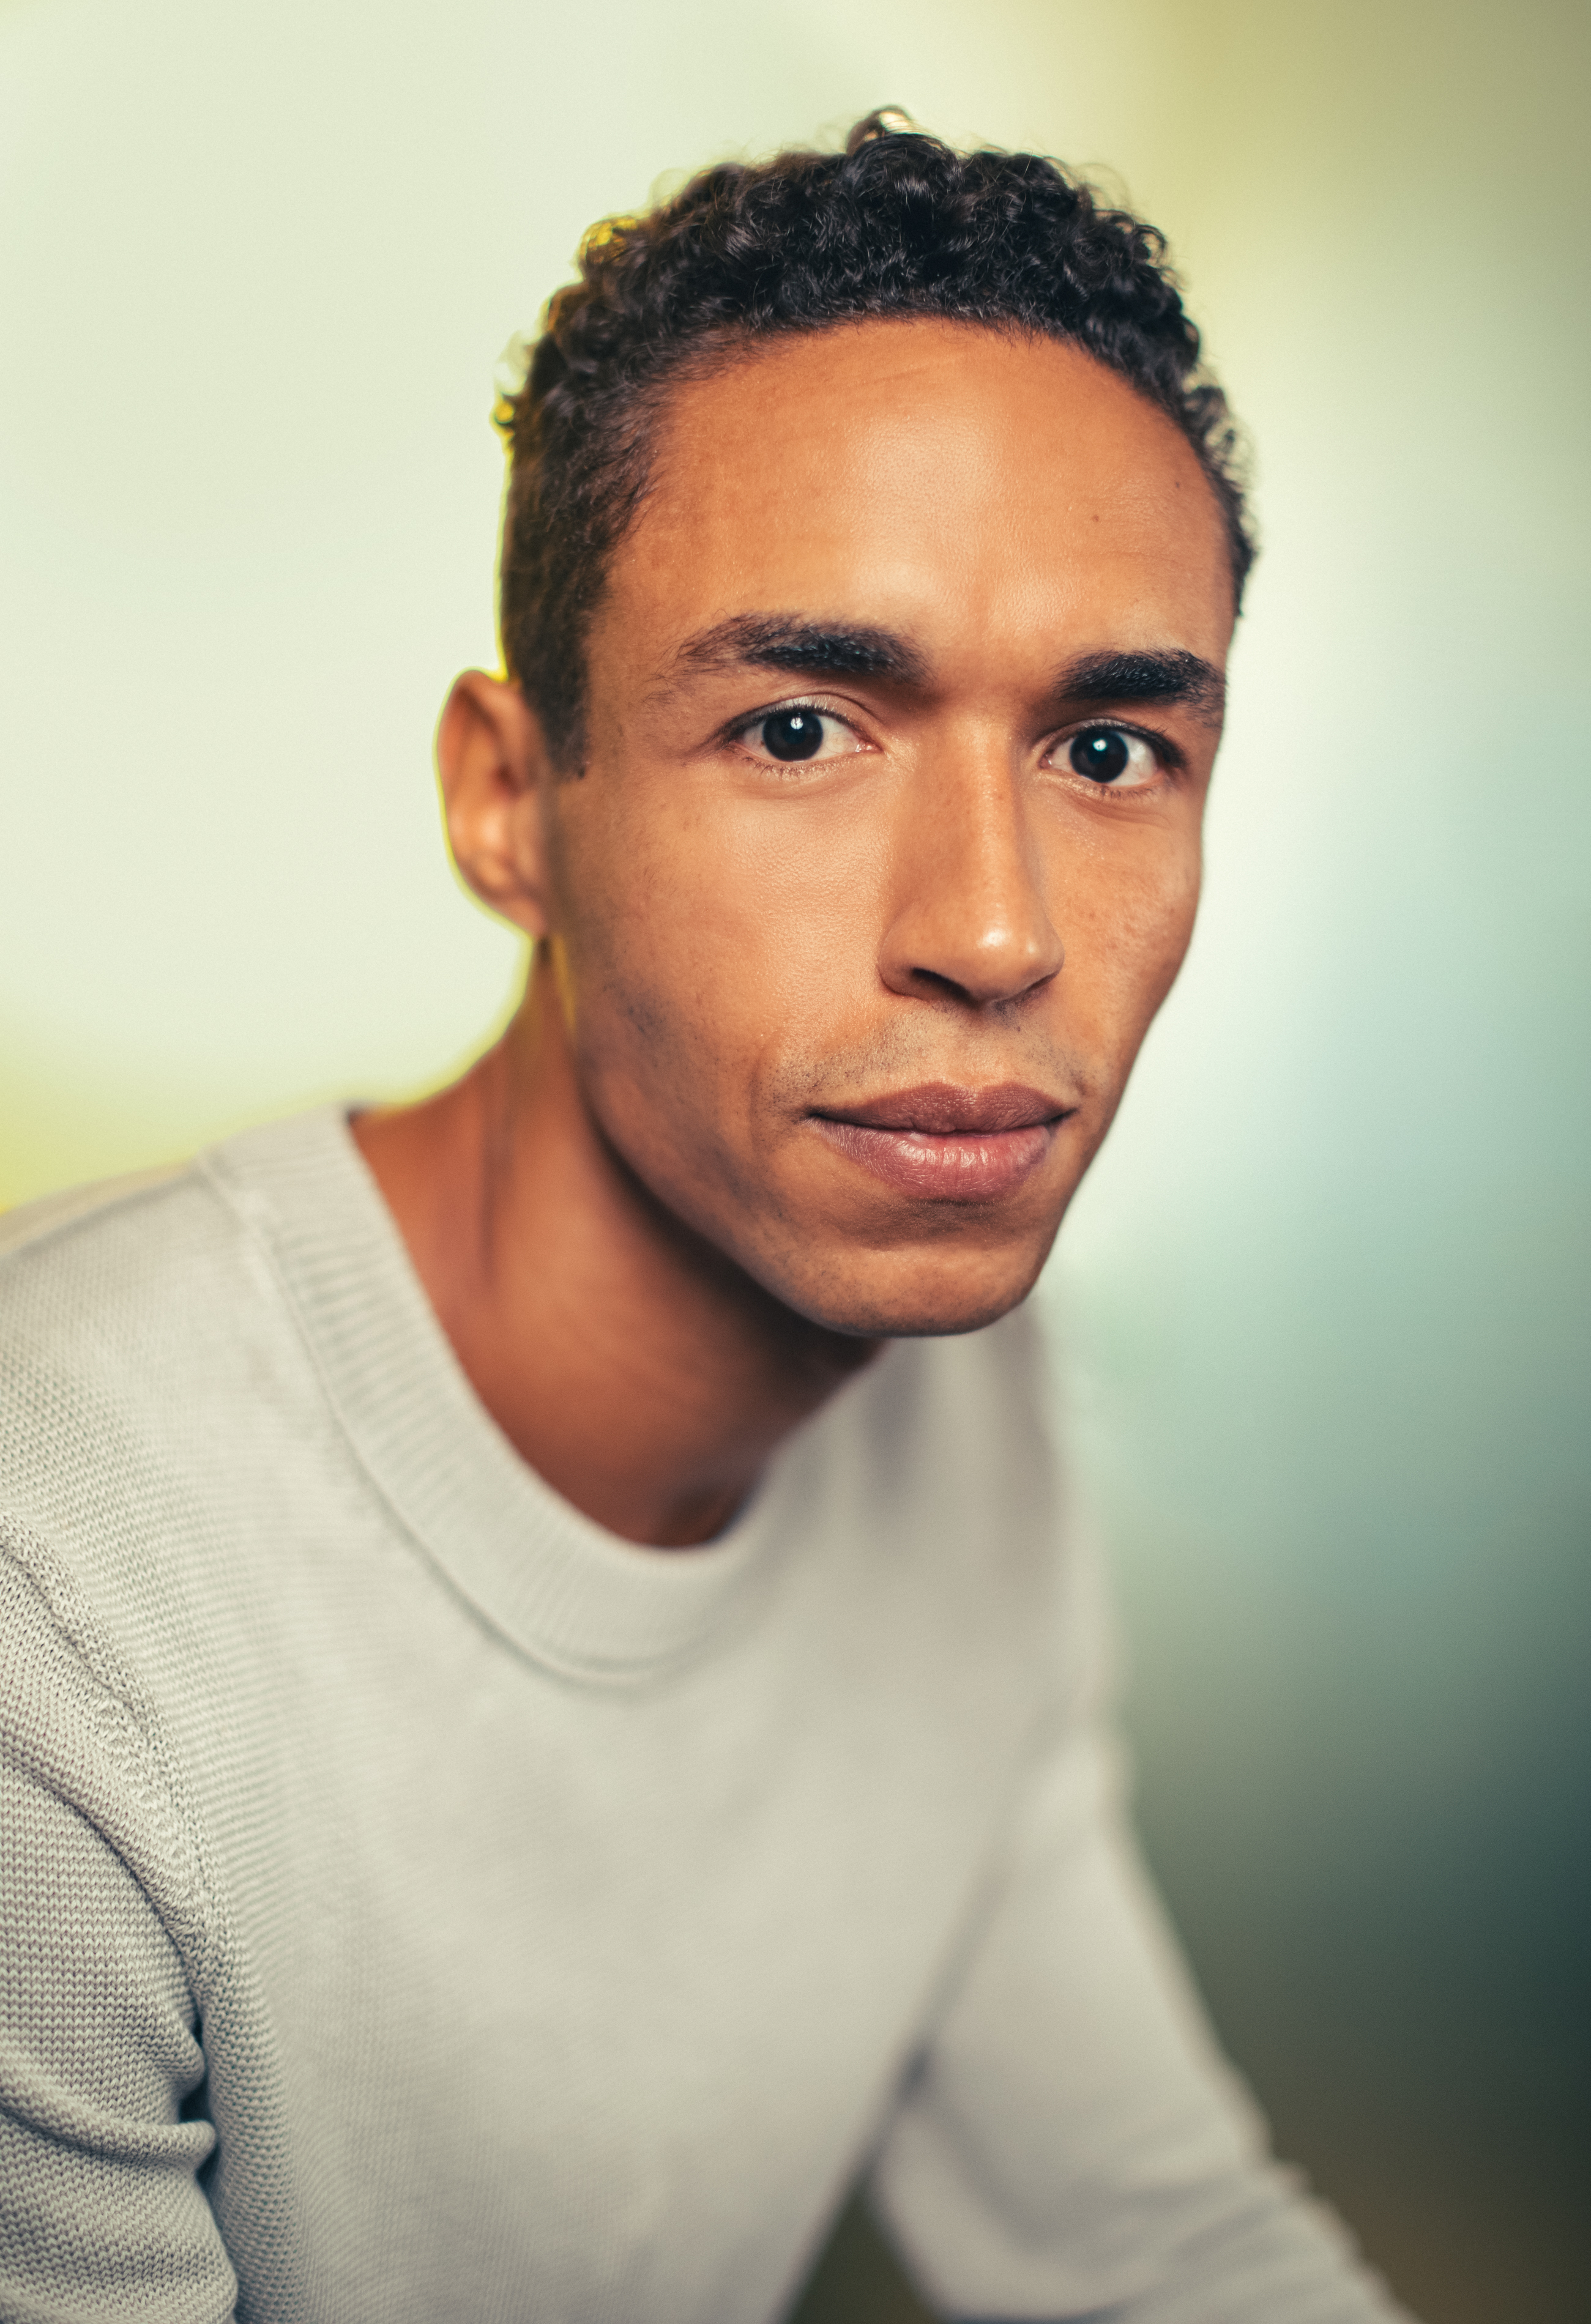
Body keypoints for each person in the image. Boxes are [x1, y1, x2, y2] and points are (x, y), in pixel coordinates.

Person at [0, 112, 1412, 2323]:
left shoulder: (970, 1411)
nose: (995, 932)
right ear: (509, 802)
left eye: (1108, 752)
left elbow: (1148, 2248)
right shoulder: (59, 1590)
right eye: (801, 728)